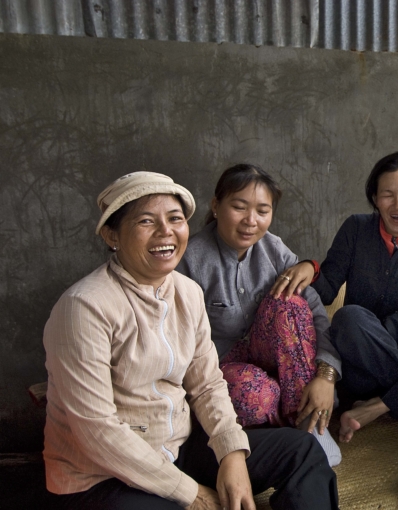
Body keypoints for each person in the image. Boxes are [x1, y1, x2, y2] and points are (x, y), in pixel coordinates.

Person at [43, 172, 339, 510]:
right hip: (103, 475)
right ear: (112, 235)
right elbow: (97, 431)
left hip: (177, 450)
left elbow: (207, 384)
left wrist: (231, 453)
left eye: (175, 219)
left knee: (300, 451)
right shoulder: (84, 307)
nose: (165, 231)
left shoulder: (187, 292)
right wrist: (192, 493)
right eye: (146, 221)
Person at [275, 152, 398, 443]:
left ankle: (384, 403)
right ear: (375, 199)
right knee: (348, 316)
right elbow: (328, 288)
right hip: (362, 351)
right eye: (387, 195)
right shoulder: (356, 229)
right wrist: (310, 267)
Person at [175, 164, 342, 467]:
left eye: (262, 211)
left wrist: (326, 374)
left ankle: (309, 424)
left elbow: (315, 312)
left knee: (291, 303)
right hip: (220, 367)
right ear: (216, 206)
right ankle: (288, 421)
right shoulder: (190, 259)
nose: (251, 221)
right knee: (252, 395)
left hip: (278, 358)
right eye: (239, 207)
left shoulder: (273, 249)